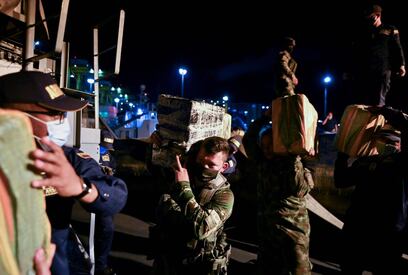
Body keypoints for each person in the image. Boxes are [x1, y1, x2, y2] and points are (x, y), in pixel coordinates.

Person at [0, 70, 128, 275]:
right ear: (13, 115)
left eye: (64, 114)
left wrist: (80, 187)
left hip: (55, 264)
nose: (62, 120)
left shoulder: (64, 158)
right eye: (53, 113)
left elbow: (116, 195)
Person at [334, 106, 408, 274]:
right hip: (358, 229)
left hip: (387, 234)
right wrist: (343, 153)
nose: (387, 145)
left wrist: (386, 111)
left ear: (401, 145)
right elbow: (341, 181)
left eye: (392, 142)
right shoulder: (366, 162)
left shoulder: (405, 164)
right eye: (383, 140)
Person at [243, 113, 314, 275]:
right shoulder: (263, 163)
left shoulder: (295, 165)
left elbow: (300, 188)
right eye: (264, 145)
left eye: (271, 145)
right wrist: (263, 117)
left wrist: (293, 158)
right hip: (268, 233)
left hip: (292, 234)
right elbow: (248, 139)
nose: (267, 149)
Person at [151, 136, 234, 275]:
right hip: (167, 258)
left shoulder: (224, 195)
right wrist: (155, 146)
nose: (204, 167)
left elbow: (202, 229)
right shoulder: (184, 174)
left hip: (196, 264)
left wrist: (184, 188)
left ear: (223, 167)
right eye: (201, 161)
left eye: (211, 165)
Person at [350, 4, 406, 106]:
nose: (369, 19)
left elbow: (398, 48)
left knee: (378, 99)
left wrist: (401, 65)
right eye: (367, 17)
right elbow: (357, 51)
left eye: (371, 17)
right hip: (367, 70)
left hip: (383, 69)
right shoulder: (365, 32)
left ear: (378, 15)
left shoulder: (390, 29)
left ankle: (378, 119)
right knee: (365, 100)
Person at [95, 129, 118, 275]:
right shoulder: (92, 152)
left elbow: (114, 168)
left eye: (107, 148)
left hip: (106, 194)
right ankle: (100, 266)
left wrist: (110, 172)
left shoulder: (108, 154)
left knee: (105, 231)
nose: (105, 150)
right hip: (93, 192)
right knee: (106, 228)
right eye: (103, 147)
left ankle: (100, 263)